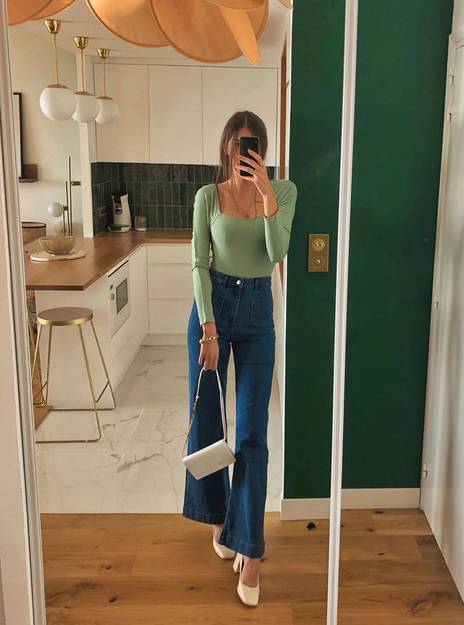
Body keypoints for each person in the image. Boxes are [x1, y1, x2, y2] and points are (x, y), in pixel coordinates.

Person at [182, 110, 297, 607]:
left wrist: (267, 197)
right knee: (209, 422)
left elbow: (275, 253)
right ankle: (219, 519)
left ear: (262, 151)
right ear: (226, 148)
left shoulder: (283, 193)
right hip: (212, 309)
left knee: (252, 432)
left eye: (252, 146)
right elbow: (198, 262)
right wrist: (208, 327)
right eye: (236, 144)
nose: (242, 153)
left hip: (255, 313)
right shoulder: (207, 197)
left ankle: (250, 552)